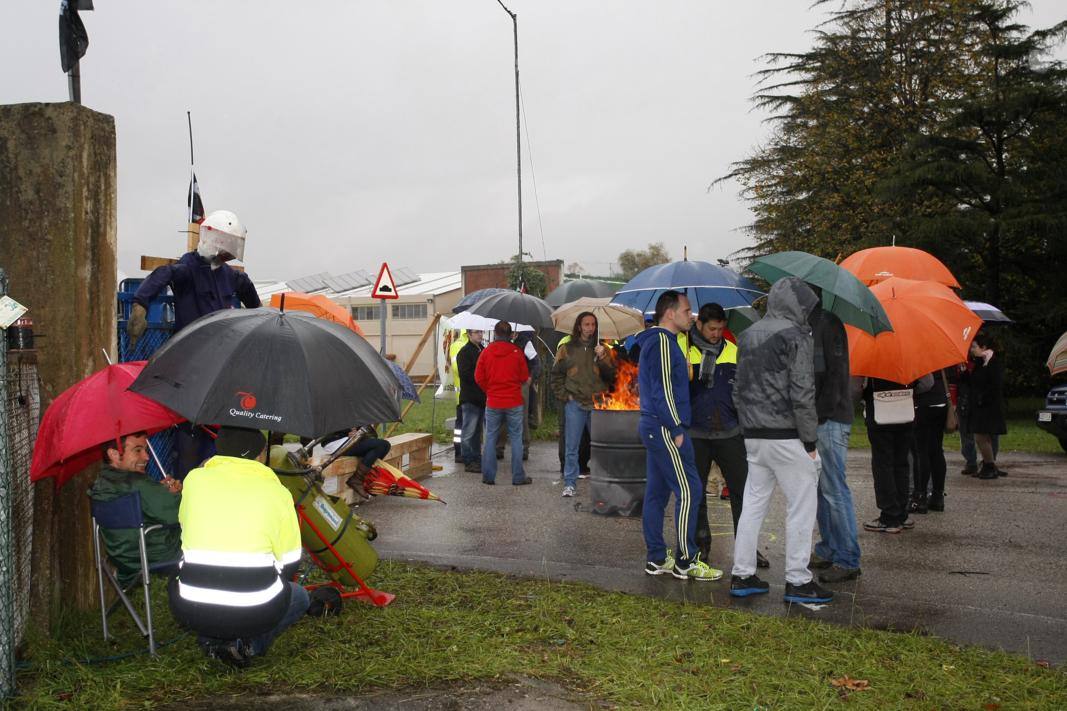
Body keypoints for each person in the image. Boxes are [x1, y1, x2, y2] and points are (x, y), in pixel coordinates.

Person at [128, 209, 261, 479]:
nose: (230, 254)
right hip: (190, 363)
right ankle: (187, 486)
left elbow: (245, 285)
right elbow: (163, 274)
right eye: (227, 246)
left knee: (217, 430)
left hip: (219, 361)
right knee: (189, 432)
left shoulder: (226, 274)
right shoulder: (188, 269)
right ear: (215, 241)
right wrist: (141, 303)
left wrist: (259, 313)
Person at [169, 427, 308, 668]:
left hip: (190, 606)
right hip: (255, 608)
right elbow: (291, 561)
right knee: (300, 596)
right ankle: (247, 645)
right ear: (260, 454)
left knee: (205, 588)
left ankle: (213, 639)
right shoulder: (278, 493)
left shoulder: (193, 481)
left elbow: (184, 527)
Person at [730, 277, 832, 604]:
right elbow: (803, 392)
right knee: (802, 506)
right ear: (798, 305)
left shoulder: (747, 335)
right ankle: (798, 581)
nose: (808, 311)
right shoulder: (796, 336)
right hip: (787, 435)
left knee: (753, 505)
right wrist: (810, 439)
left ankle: (742, 573)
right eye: (807, 305)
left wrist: (748, 423)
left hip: (754, 436)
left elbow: (737, 388)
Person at [635, 290, 721, 582]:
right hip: (664, 427)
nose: (691, 315)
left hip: (656, 425)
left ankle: (657, 558)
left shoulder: (667, 342)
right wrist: (675, 427)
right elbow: (662, 392)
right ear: (670, 313)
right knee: (690, 490)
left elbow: (664, 384)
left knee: (657, 493)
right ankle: (686, 560)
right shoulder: (660, 341)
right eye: (686, 310)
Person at [687, 303, 767, 568]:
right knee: (696, 493)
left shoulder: (734, 351)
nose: (716, 334)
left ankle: (748, 549)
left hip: (730, 432)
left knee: (743, 492)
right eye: (712, 328)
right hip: (696, 433)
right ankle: (700, 545)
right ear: (699, 325)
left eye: (721, 328)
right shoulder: (684, 351)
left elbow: (746, 390)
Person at [88, 432, 182, 586]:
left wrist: (160, 491)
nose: (146, 457)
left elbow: (148, 502)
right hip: (160, 554)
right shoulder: (137, 483)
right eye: (138, 450)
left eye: (146, 450)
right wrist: (177, 495)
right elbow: (179, 512)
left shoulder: (101, 484)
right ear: (113, 454)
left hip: (124, 560)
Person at [810, 308, 862, 583]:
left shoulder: (828, 324)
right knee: (822, 490)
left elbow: (835, 376)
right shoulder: (812, 324)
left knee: (834, 490)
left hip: (829, 420)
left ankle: (848, 557)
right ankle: (829, 548)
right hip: (819, 419)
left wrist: (821, 414)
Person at [550, 312, 616, 498]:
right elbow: (555, 376)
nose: (590, 328)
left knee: (600, 446)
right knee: (572, 446)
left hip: (597, 404)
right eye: (586, 324)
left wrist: (603, 358)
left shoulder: (604, 349)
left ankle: (602, 485)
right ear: (579, 326)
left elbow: (612, 377)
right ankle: (570, 484)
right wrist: (565, 396)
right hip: (575, 404)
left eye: (593, 324)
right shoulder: (566, 349)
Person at [862, 373, 934, 533]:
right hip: (904, 412)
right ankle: (901, 512)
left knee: (883, 464)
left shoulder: (870, 355)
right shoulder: (910, 351)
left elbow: (857, 387)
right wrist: (908, 392)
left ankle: (889, 516)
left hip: (879, 413)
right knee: (901, 463)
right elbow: (928, 383)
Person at [475, 321, 531, 486]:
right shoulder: (517, 352)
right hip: (514, 401)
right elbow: (523, 377)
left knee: (491, 437)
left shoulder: (486, 352)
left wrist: (490, 390)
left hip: (493, 401)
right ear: (511, 334)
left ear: (495, 333)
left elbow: (478, 377)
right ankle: (518, 476)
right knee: (516, 439)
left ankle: (488, 476)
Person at [964, 332, 1007, 480]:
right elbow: (974, 382)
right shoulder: (980, 362)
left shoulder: (992, 362)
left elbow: (995, 385)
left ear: (984, 347)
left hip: (988, 407)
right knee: (982, 437)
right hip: (980, 405)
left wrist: (982, 398)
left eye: (974, 347)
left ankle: (989, 465)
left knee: (981, 437)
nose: (972, 349)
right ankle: (990, 465)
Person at [910, 369, 950, 512]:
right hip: (940, 402)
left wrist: (911, 388)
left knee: (921, 452)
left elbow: (927, 382)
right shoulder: (935, 353)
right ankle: (938, 496)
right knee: (936, 450)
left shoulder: (918, 354)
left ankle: (920, 496)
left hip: (923, 405)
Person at [456, 329, 487, 473]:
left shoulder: (483, 350)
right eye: (476, 332)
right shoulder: (464, 352)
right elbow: (465, 374)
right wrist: (481, 376)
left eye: (481, 332)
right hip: (470, 398)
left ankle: (476, 457)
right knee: (468, 431)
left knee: (477, 432)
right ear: (469, 334)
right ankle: (468, 459)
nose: (480, 334)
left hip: (482, 398)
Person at [448, 329, 469, 463]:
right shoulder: (458, 345)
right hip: (462, 394)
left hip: (468, 393)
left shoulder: (474, 344)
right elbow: (456, 368)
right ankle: (459, 452)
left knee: (466, 426)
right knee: (461, 426)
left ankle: (466, 451)